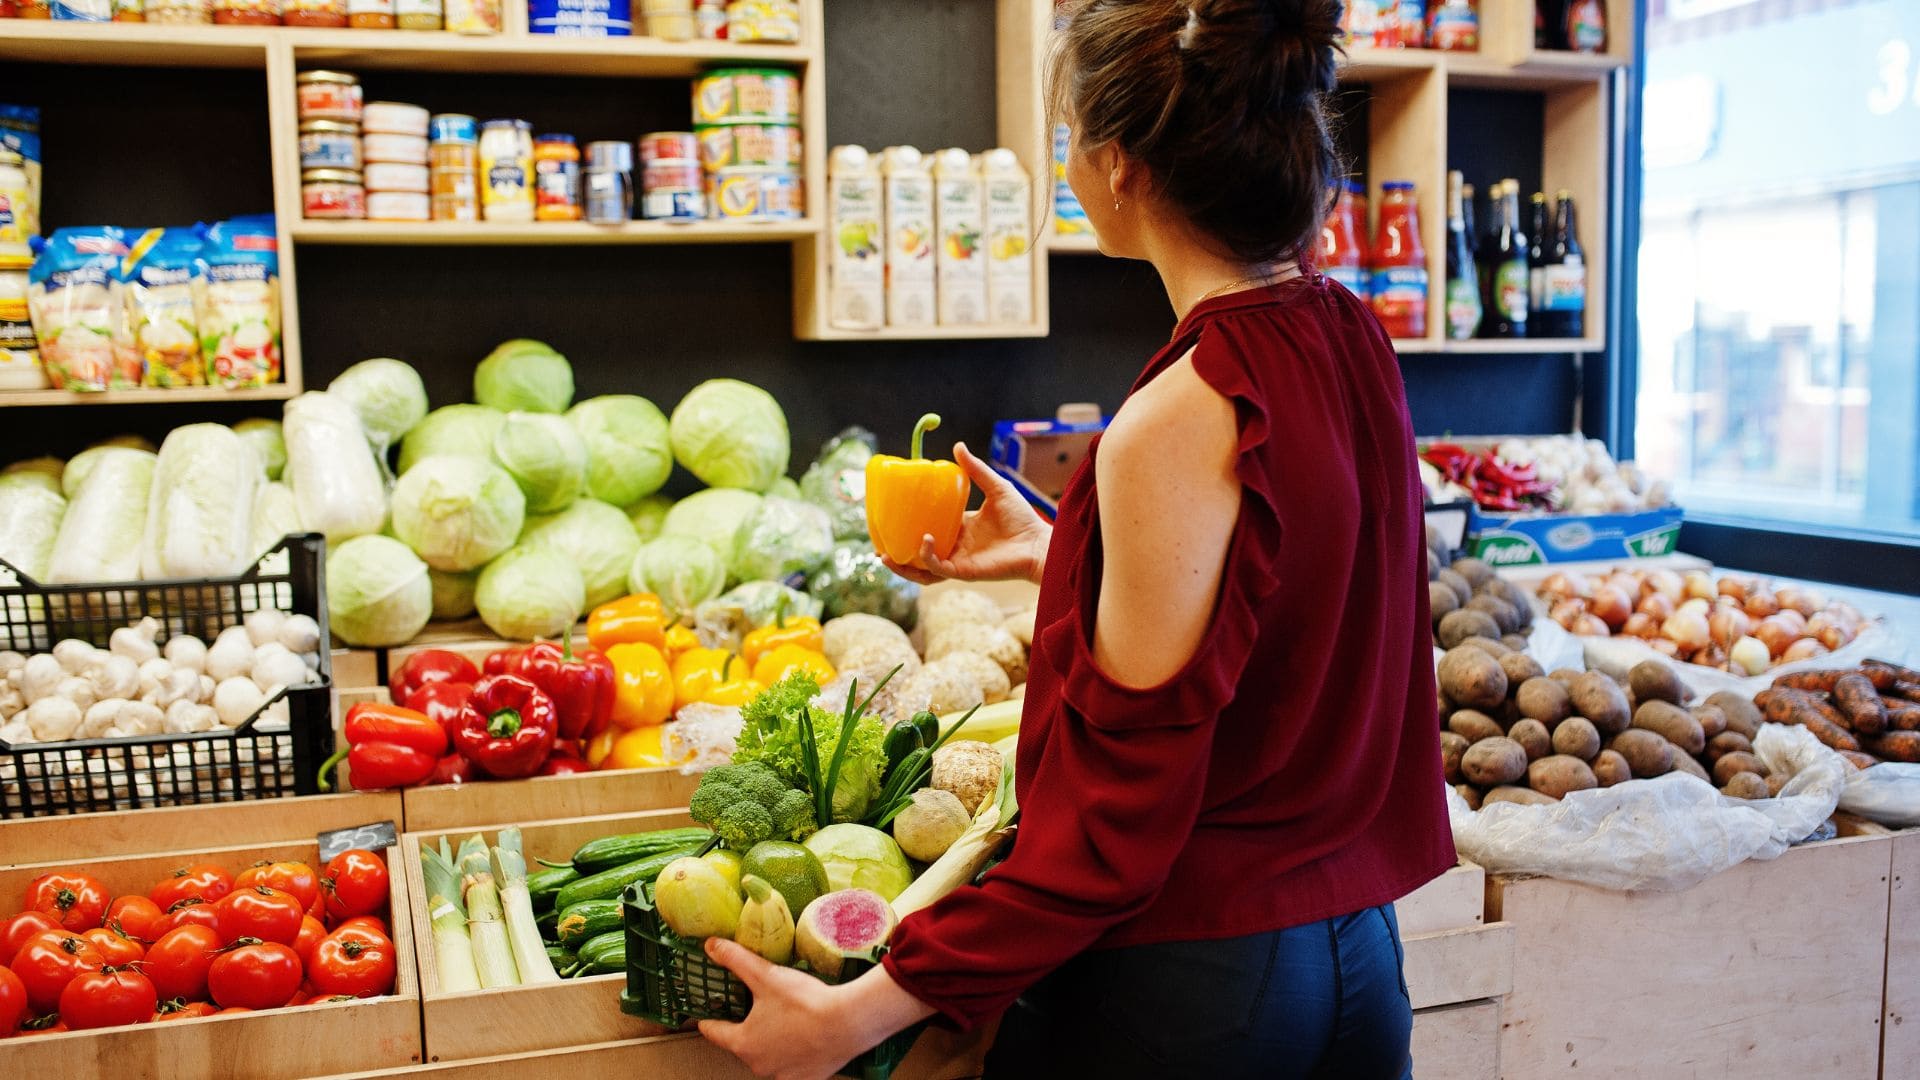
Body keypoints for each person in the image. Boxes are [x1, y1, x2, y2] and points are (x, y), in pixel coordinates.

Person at [697, 0, 1455, 1076]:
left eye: (1067, 140)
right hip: (1359, 969)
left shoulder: (1176, 416)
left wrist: (853, 1016)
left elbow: (1111, 827)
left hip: (1194, 997)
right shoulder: (1348, 335)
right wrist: (1067, 552)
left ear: (1119, 166)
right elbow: (1278, 614)